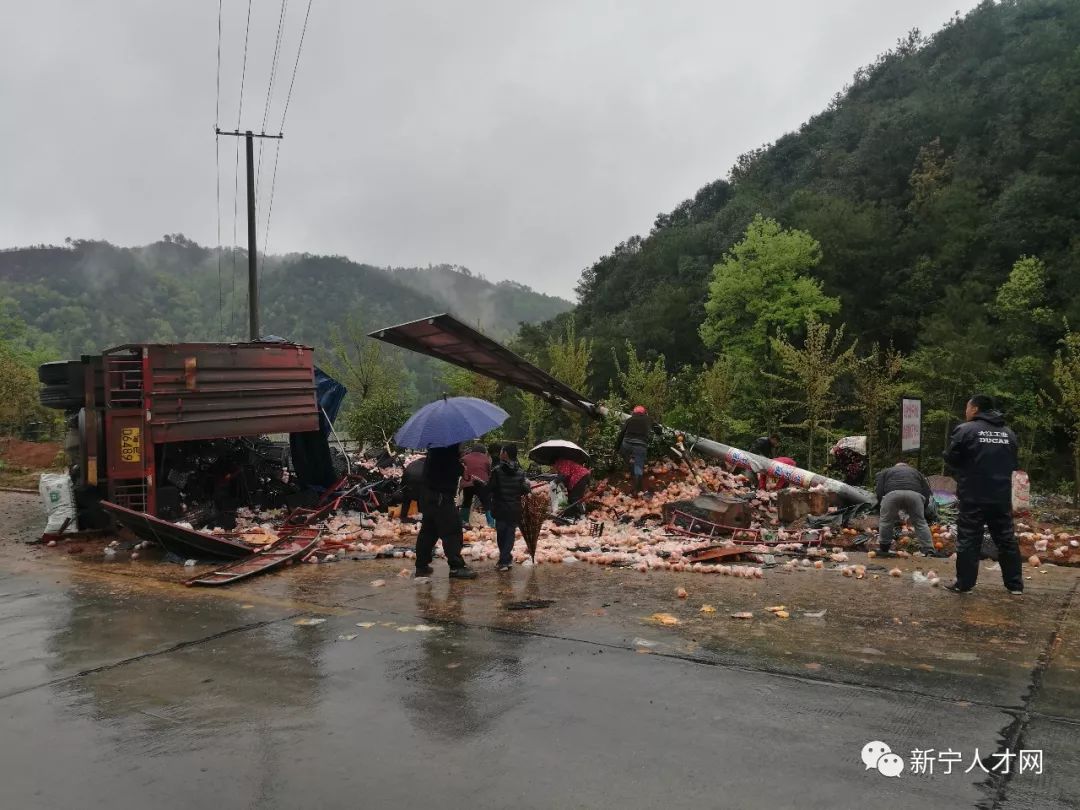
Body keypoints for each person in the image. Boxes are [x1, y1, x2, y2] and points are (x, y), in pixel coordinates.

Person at [943, 395, 1023, 595]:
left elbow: (952, 458)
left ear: (975, 409)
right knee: (1006, 538)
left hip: (973, 495)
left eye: (967, 408)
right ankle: (1015, 585)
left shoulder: (965, 430)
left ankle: (964, 584)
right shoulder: (1008, 433)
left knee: (969, 538)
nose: (965, 412)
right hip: (1001, 496)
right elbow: (1013, 463)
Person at [415, 444, 477, 579]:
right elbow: (449, 469)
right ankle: (456, 567)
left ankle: (421, 565)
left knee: (429, 531)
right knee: (452, 530)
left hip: (428, 497)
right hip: (441, 498)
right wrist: (461, 467)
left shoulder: (434, 449)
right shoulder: (446, 450)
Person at [875, 461, 946, 558]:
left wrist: (881, 504)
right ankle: (929, 550)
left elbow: (879, 490)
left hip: (892, 494)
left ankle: (884, 549)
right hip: (914, 496)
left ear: (895, 467)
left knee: (886, 521)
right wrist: (923, 507)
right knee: (920, 522)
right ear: (907, 467)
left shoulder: (887, 471)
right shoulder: (916, 472)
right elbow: (927, 491)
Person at [488, 444, 530, 571]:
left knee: (501, 533)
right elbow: (524, 490)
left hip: (500, 508)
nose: (500, 453)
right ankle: (506, 559)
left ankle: (504, 561)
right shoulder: (520, 472)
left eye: (501, 451)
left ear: (505, 453)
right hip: (514, 508)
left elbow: (491, 488)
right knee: (510, 533)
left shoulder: (497, 470)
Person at [615, 405, 658, 494]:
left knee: (625, 454)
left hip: (626, 444)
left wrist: (616, 448)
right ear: (644, 413)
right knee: (638, 465)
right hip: (640, 445)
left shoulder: (629, 420)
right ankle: (637, 490)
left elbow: (621, 434)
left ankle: (630, 463)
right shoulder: (649, 419)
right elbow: (658, 430)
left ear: (633, 413)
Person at [459, 443, 494, 527]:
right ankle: (491, 523)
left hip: (468, 484)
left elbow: (460, 469)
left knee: (466, 501)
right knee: (486, 503)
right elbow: (489, 472)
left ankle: (463, 521)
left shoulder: (465, 458)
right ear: (483, 451)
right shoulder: (486, 459)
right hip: (481, 483)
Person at [399, 456, 426, 523]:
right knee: (421, 499)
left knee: (406, 501)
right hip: (419, 486)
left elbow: (403, 479)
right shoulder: (426, 465)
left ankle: (403, 517)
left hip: (407, 485)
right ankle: (421, 517)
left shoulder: (412, 464)